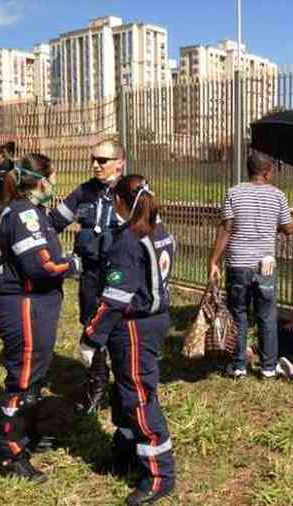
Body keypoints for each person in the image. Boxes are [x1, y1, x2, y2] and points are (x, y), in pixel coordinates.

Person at [79, 175, 176, 505]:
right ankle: (126, 452)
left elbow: (116, 298)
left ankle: (159, 475)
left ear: (120, 202)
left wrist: (91, 336)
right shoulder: (158, 230)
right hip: (154, 319)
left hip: (134, 325)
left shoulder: (128, 240)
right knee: (123, 394)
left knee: (138, 396)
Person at [0, 154, 81, 482]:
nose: (54, 184)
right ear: (42, 180)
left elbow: (47, 234)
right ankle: (11, 451)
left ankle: (28, 431)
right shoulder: (23, 213)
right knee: (23, 378)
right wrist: (74, 265)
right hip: (22, 303)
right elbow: (39, 265)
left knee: (34, 375)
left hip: (32, 303)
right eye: (53, 178)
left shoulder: (29, 210)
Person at [208, 151, 293, 378]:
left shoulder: (233, 193)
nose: (274, 173)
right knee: (266, 316)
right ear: (265, 171)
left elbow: (226, 229)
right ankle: (269, 368)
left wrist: (214, 261)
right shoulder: (278, 196)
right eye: (273, 169)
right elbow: (289, 228)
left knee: (239, 314)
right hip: (266, 266)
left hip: (238, 265)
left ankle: (239, 365)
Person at [49, 138, 125, 413]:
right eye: (93, 159)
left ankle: (124, 386)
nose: (95, 165)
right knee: (91, 324)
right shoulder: (83, 192)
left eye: (102, 160)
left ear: (120, 163)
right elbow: (54, 223)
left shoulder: (133, 192)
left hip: (120, 275)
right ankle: (97, 384)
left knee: (120, 325)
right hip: (91, 274)